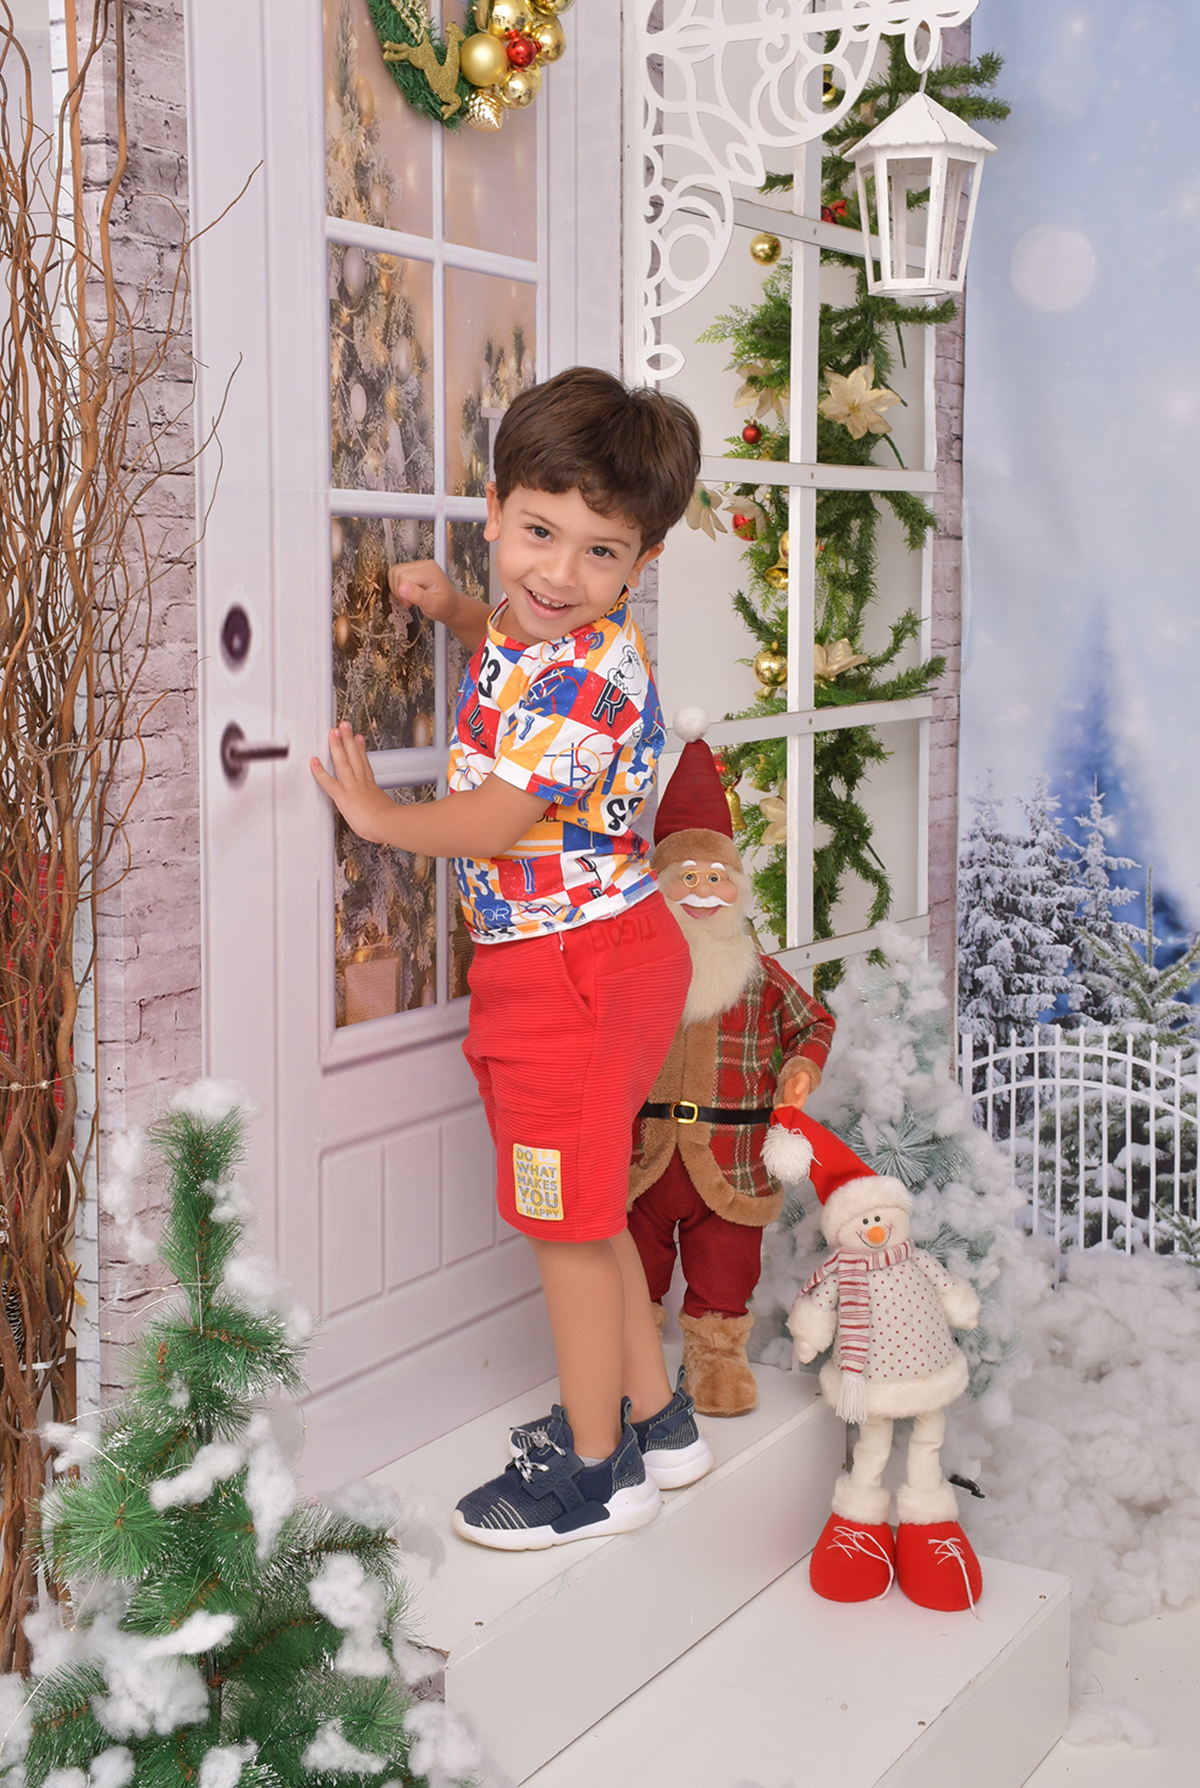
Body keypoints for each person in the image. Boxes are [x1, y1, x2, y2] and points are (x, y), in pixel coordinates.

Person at [311, 366, 710, 1550]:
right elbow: (512, 646)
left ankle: (595, 1474)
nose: (560, 573)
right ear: (494, 512)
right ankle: (660, 1421)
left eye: (601, 553)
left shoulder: (587, 677)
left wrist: (379, 818)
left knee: (566, 1223)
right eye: (540, 532)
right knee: (586, 1208)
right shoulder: (549, 634)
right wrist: (453, 613)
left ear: (641, 566)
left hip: (577, 970)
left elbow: (492, 822)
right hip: (575, 956)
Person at [628, 712, 834, 1416]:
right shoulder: (635, 968)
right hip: (645, 1154)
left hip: (733, 1156)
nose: (701, 892)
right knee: (633, 1266)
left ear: (735, 888)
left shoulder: (758, 973)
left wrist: (800, 1068)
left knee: (725, 1266)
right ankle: (630, 1364)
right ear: (660, 885)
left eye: (716, 878)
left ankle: (716, 1361)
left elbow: (813, 1022)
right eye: (686, 877)